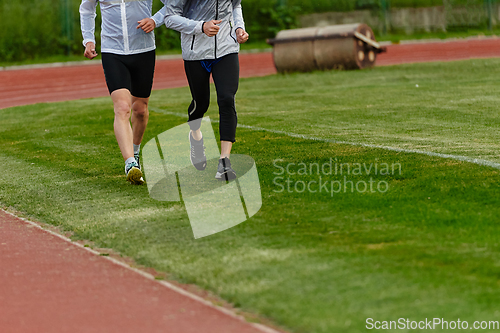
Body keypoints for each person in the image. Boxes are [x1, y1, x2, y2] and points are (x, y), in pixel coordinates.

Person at [79, 0, 166, 185]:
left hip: (143, 49)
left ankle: (135, 152)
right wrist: (88, 39)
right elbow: (86, 7)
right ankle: (130, 163)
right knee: (122, 107)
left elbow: (173, 5)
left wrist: (155, 19)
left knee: (140, 110)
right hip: (113, 51)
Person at [162, 0, 249, 181]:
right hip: (196, 51)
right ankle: (196, 136)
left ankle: (224, 162)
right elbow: (169, 17)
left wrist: (239, 28)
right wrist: (200, 27)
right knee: (200, 104)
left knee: (226, 98)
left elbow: (235, 5)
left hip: (227, 48)